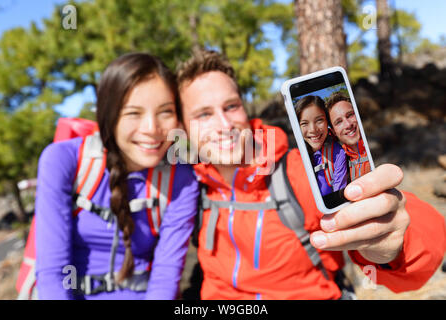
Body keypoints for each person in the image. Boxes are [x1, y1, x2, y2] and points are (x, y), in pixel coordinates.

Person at [176, 49, 446, 300]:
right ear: (183, 127)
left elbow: (420, 231)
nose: (225, 124)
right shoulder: (188, 188)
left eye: (231, 106)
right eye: (204, 114)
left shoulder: (296, 173)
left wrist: (396, 242)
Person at [35, 53, 199, 299]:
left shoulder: (181, 180)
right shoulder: (63, 161)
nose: (152, 129)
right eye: (133, 113)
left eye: (165, 112)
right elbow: (52, 274)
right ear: (109, 116)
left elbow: (165, 278)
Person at [295, 95, 348, 196]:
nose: (313, 130)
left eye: (319, 120)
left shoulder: (337, 153)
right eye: (304, 123)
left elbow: (340, 194)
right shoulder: (295, 157)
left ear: (327, 122)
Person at [326, 92, 370, 181]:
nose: (348, 125)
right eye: (339, 122)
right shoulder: (339, 167)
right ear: (333, 131)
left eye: (350, 115)